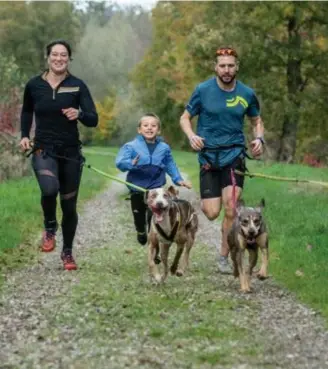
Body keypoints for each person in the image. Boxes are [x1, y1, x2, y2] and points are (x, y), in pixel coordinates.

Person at [180, 46, 265, 274]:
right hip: (209, 156)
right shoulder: (203, 90)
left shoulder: (246, 93)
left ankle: (223, 257)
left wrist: (259, 139)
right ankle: (209, 207)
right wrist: (192, 135)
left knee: (231, 209)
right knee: (211, 212)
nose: (226, 70)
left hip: (234, 155)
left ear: (237, 67)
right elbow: (185, 118)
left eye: (230, 66)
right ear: (215, 67)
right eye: (222, 66)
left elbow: (256, 120)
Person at [19, 39, 99, 271]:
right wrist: (25, 135)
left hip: (70, 153)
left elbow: (93, 119)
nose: (59, 59)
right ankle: (50, 226)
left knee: (69, 205)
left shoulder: (78, 85)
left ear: (69, 59)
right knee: (49, 189)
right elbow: (26, 111)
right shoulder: (34, 85)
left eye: (63, 55)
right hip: (44, 148)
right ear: (48, 57)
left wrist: (79, 113)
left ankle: (67, 253)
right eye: (55, 54)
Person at [115, 113, 191, 246]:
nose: (149, 128)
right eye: (145, 125)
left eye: (153, 125)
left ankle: (154, 241)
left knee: (155, 216)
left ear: (158, 130)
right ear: (139, 129)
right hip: (137, 189)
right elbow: (120, 163)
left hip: (156, 189)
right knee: (139, 217)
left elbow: (170, 164)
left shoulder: (164, 148)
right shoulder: (131, 146)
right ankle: (141, 232)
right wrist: (130, 164)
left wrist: (178, 179)